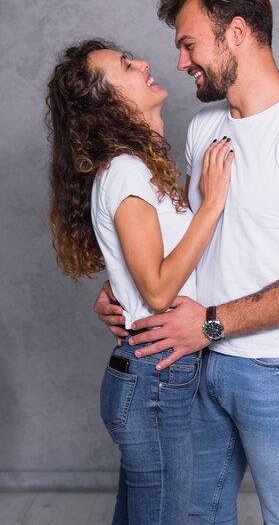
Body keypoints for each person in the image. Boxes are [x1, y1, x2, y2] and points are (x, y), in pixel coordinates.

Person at [95, 0, 279, 525]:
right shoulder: (204, 126)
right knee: (196, 517)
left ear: (235, 32)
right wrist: (124, 287)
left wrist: (212, 323)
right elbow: (186, 236)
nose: (181, 62)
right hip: (197, 361)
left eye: (189, 45)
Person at [45, 38, 234, 525]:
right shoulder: (128, 172)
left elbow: (140, 283)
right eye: (127, 67)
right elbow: (156, 291)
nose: (145, 64)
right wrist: (211, 206)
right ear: (110, 103)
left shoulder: (137, 168)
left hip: (151, 375)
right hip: (153, 377)